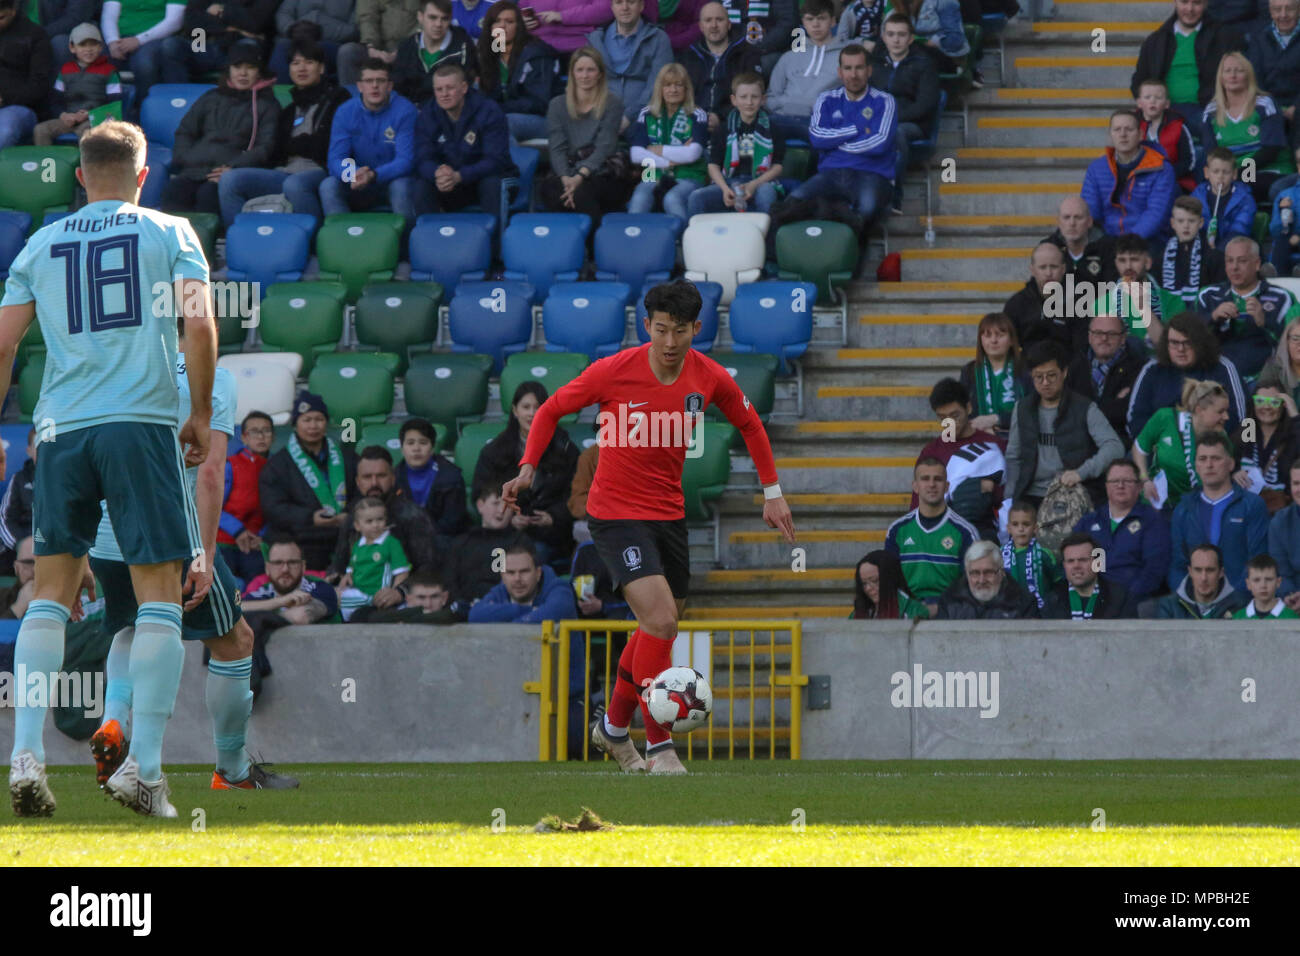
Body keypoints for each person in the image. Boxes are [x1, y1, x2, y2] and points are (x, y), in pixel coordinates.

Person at [1, 120, 216, 818]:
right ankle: (144, 770)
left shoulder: (40, 242)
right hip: (138, 424)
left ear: (80, 177)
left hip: (61, 429)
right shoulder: (169, 231)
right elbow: (201, 324)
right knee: (158, 600)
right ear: (142, 174)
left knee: (49, 597)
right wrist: (201, 412)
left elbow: (3, 342)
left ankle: (25, 753)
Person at [501, 279, 796, 775]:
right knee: (661, 623)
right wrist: (529, 465)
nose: (669, 342)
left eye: (680, 331)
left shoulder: (708, 377)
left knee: (658, 626)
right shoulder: (615, 371)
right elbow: (551, 408)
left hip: (668, 515)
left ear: (696, 329)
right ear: (647, 326)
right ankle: (659, 746)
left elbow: (750, 423)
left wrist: (772, 491)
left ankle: (613, 730)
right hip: (615, 513)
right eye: (661, 330)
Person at [86, 318, 297, 794]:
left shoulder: (119, 368)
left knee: (132, 626)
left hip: (106, 533)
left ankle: (114, 719)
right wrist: (202, 554)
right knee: (236, 641)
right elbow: (211, 472)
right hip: (173, 535)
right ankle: (233, 771)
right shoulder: (210, 378)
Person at [217, 40, 352, 226]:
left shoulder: (338, 98)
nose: (301, 68)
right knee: (230, 180)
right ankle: (241, 239)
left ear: (321, 68)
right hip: (285, 172)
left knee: (295, 184)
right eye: (295, 63)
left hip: (322, 171)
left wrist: (294, 144)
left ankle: (314, 241)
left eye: (309, 62)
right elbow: (276, 150)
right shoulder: (289, 109)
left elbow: (326, 146)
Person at [161, 42, 280, 216]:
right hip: (195, 168)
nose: (243, 73)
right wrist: (186, 158)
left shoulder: (268, 105)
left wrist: (233, 169)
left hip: (231, 172)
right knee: (174, 190)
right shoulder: (211, 97)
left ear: (259, 72)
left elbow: (266, 146)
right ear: (229, 69)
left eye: (250, 67)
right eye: (237, 66)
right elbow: (185, 131)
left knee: (207, 195)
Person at [1004, 340, 1125, 509]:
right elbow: (1013, 457)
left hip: (1070, 492)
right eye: (1038, 377)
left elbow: (1114, 447)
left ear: (1064, 372)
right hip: (1030, 495)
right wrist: (1009, 501)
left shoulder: (1084, 408)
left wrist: (1081, 473)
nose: (1045, 382)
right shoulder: (1022, 408)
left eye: (1051, 375)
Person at [791, 43, 898, 229]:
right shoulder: (826, 99)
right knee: (792, 202)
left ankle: (848, 247)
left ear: (869, 71)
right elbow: (816, 138)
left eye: (859, 68)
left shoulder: (885, 101)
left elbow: (879, 143)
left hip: (871, 174)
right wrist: (855, 129)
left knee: (867, 210)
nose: (853, 75)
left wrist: (836, 143)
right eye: (848, 68)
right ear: (840, 72)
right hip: (831, 173)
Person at [476, 381, 580, 569]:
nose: (532, 413)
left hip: (553, 536)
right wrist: (509, 517)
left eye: (538, 407)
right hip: (505, 534)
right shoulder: (494, 452)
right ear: (515, 411)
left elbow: (578, 493)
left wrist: (554, 516)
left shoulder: (566, 450)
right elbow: (481, 492)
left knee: (532, 555)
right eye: (526, 407)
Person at [258, 391, 359, 572]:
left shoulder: (346, 457)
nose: (313, 426)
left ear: (326, 423)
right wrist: (310, 517)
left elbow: (362, 491)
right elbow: (273, 506)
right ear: (295, 425)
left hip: (344, 532)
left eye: (319, 419)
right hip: (304, 535)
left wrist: (350, 515)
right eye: (307, 420)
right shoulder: (278, 464)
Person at [414, 61, 519, 233]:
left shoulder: (488, 110)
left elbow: (495, 160)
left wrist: (460, 176)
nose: (444, 94)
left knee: (492, 184)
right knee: (421, 186)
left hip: (486, 179)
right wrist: (437, 172)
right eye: (439, 90)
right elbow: (421, 156)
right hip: (450, 183)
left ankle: (493, 251)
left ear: (464, 88)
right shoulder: (428, 113)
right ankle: (429, 245)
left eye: (450, 88)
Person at [321, 57, 422, 224]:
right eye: (369, 81)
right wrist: (353, 174)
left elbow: (406, 160)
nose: (375, 86)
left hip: (392, 181)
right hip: (358, 183)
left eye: (380, 81)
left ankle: (406, 245)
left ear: (389, 86)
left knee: (401, 187)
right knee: (329, 185)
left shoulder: (405, 110)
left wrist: (374, 175)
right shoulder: (345, 111)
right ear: (359, 86)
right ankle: (342, 240)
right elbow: (336, 159)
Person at [1130, 0, 1245, 145]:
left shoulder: (1224, 37)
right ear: (1175, 3)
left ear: (1205, 4)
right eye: (1184, 2)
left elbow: (1242, 76)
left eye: (1196, 3)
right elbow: (1139, 81)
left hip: (1206, 109)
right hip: (1164, 110)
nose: (1190, 9)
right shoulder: (1156, 40)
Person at [1168, 430, 1270, 591]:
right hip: (1195, 606)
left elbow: (1257, 561)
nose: (1209, 465)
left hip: (1239, 604)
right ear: (1196, 465)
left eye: (1216, 458)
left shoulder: (1252, 505)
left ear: (1230, 464)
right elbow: (1178, 565)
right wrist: (1190, 599)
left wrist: (1232, 601)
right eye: (1202, 459)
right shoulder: (1183, 509)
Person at [326, 443, 440, 588]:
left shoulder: (413, 516)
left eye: (381, 476)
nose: (374, 483)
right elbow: (339, 564)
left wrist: (400, 592)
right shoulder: (352, 518)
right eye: (367, 477)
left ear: (392, 478)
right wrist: (334, 578)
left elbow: (427, 569)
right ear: (358, 482)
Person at [540, 46, 629, 224]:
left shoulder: (612, 103)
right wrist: (567, 179)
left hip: (603, 170)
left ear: (600, 74)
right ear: (572, 73)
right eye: (579, 70)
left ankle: (593, 246)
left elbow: (605, 147)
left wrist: (579, 178)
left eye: (591, 70)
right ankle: (566, 246)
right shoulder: (557, 104)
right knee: (549, 189)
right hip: (568, 170)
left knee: (582, 193)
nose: (585, 75)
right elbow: (557, 147)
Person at [241, 533, 340, 691]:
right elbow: (231, 610)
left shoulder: (320, 588)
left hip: (325, 675)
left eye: (292, 563)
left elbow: (301, 616)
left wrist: (260, 617)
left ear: (303, 566)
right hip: (277, 685)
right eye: (278, 563)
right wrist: (281, 602)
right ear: (267, 568)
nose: (285, 569)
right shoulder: (264, 593)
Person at [1127, 311, 1248, 439]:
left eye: (1188, 343)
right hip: (1160, 447)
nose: (1181, 349)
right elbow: (1135, 419)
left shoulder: (1223, 368)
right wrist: (1166, 443)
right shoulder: (1152, 369)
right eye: (1174, 343)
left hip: (1210, 446)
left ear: (1201, 343)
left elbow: (1238, 417)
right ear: (1166, 343)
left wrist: (1197, 441)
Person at [1074, 458, 1172, 606]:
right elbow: (1073, 561)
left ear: (1139, 487)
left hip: (1135, 602)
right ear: (1106, 486)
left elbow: (1153, 569)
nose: (1120, 485)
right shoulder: (1088, 523)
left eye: (1127, 481)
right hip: (1093, 601)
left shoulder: (1152, 521)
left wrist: (1125, 599)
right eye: (1114, 481)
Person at [1200, 236, 1300, 379]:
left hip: (1264, 381)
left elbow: (1295, 345)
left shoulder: (1282, 298)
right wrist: (1213, 317)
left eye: (1242, 261)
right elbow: (1188, 337)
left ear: (1257, 264)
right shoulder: (1208, 295)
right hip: (1213, 382)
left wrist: (1265, 322)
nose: (1234, 267)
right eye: (1229, 261)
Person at [915, 377, 1004, 536]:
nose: (950, 423)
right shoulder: (931, 451)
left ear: (969, 408)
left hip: (989, 535)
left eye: (955, 415)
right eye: (943, 418)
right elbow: (918, 502)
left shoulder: (994, 444)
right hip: (942, 534)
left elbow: (1011, 495)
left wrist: (990, 489)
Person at [686, 71, 784, 215]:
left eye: (755, 97)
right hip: (729, 181)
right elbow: (713, 165)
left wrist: (753, 185)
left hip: (760, 182)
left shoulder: (772, 128)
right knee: (697, 198)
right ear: (734, 100)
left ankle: (766, 237)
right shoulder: (723, 129)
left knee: (766, 194)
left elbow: (777, 167)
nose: (749, 102)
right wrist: (725, 189)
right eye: (743, 97)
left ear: (763, 99)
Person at [885, 457, 979, 606]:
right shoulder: (897, 530)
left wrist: (941, 607)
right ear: (915, 486)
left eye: (938, 479)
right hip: (907, 610)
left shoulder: (965, 532)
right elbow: (890, 581)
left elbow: (971, 583)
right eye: (925, 479)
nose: (932, 484)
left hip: (950, 612)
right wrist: (912, 608)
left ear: (947, 486)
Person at [1200, 51, 1292, 203]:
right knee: (1204, 192)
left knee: (1242, 187)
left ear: (1249, 75)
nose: (1233, 75)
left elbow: (1272, 150)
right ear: (1221, 77)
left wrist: (1239, 173)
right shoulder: (1211, 111)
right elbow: (1212, 154)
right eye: (1227, 71)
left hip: (1268, 169)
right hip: (1230, 174)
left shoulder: (1264, 103)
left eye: (1239, 70)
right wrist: (1228, 174)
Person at [1132, 377, 1232, 512]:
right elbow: (1139, 448)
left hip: (1195, 510)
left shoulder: (1221, 438)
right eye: (1220, 412)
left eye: (1226, 411)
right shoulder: (1166, 418)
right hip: (1157, 503)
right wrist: (1145, 480)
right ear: (1199, 410)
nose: (1226, 417)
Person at [873, 13, 939, 214]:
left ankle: (894, 195)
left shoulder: (924, 64)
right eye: (891, 34)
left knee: (895, 133)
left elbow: (925, 105)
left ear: (911, 38)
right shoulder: (874, 63)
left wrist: (889, 120)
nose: (896, 39)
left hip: (912, 124)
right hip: (875, 122)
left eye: (901, 34)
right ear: (883, 37)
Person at [627, 63, 709, 219]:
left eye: (679, 85)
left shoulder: (697, 114)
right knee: (639, 198)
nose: (673, 90)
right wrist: (670, 161)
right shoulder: (646, 113)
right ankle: (635, 238)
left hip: (689, 174)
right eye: (668, 85)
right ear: (660, 88)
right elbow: (636, 154)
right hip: (651, 173)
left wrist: (656, 150)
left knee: (672, 199)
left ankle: (684, 241)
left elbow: (692, 154)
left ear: (686, 89)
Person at [1081, 110, 1177, 244]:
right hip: (1107, 241)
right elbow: (1090, 211)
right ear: (1110, 135)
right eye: (1117, 129)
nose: (1123, 134)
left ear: (1140, 134)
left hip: (1148, 242)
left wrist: (1128, 243)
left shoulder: (1162, 169)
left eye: (1129, 129)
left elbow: (1156, 214)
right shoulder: (1096, 169)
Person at [476, 1, 560, 142]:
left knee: (504, 123)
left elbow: (539, 103)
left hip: (544, 120)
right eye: (497, 21)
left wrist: (498, 108)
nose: (502, 26)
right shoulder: (491, 55)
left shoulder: (536, 53)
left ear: (519, 27)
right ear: (490, 27)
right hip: (504, 114)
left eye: (509, 21)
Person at [762, 0, 844, 144]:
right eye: (810, 19)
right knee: (754, 132)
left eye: (821, 18)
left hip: (819, 120)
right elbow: (770, 96)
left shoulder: (845, 55)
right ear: (803, 23)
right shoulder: (789, 56)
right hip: (782, 117)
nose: (815, 24)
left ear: (833, 21)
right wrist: (786, 104)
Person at [585, 0, 673, 126]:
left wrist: (629, 116)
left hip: (646, 117)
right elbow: (587, 83)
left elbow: (658, 84)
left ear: (641, 6)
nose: (625, 7)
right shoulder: (596, 40)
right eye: (619, 2)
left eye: (631, 2)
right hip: (602, 117)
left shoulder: (658, 39)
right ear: (612, 7)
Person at [33, 23, 123, 146]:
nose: (88, 49)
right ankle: (48, 163)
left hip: (96, 120)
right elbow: (55, 101)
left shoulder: (109, 71)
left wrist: (90, 114)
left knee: (86, 133)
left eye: (93, 44)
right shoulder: (65, 70)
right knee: (41, 130)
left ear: (101, 47)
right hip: (70, 118)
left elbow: (115, 103)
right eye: (82, 45)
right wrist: (63, 115)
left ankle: (87, 165)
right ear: (72, 47)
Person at [1067, 312, 1147, 447]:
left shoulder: (1139, 369)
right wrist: (1113, 404)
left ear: (1123, 338)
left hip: (1119, 441)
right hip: (1077, 440)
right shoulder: (1074, 365)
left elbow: (1127, 413)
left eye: (1111, 334)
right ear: (1090, 336)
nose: (1104, 338)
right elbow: (1067, 410)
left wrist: (1085, 411)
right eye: (1098, 333)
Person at [678, 1, 761, 132]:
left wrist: (721, 117)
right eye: (708, 20)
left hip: (732, 124)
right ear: (701, 26)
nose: (714, 25)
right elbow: (680, 94)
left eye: (719, 20)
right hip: (691, 123)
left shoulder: (746, 54)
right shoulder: (689, 55)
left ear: (728, 24)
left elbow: (751, 95)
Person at [445, 481, 520, 616]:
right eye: (496, 503)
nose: (501, 510)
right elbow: (450, 581)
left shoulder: (521, 543)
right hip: (464, 612)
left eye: (507, 505)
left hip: (505, 612)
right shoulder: (461, 543)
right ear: (480, 505)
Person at [160, 0, 279, 83]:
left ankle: (238, 105)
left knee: (249, 46)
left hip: (238, 47)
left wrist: (223, 10)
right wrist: (231, 28)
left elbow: (255, 22)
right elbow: (191, 20)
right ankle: (180, 100)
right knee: (170, 45)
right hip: (202, 43)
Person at [101, 0, 185, 115]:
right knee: (96, 58)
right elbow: (109, 16)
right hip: (119, 38)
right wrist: (112, 41)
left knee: (144, 64)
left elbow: (174, 22)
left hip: (154, 38)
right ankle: (101, 114)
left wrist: (139, 40)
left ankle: (144, 111)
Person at [468, 537, 580, 622]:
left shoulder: (559, 589)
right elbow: (475, 615)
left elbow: (555, 611)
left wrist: (505, 621)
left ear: (538, 573)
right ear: (502, 575)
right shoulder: (500, 591)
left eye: (524, 571)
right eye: (511, 572)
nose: (517, 578)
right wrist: (527, 610)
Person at [336, 496, 411, 620]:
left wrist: (393, 592)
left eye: (380, 519)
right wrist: (348, 575)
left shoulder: (390, 543)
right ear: (357, 526)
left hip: (378, 594)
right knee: (334, 597)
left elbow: (402, 572)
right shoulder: (358, 544)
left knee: (339, 602)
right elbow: (353, 565)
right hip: (359, 591)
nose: (376, 525)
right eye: (369, 521)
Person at [219, 411, 272, 586]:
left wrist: (263, 536)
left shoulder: (277, 468)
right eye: (254, 432)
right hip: (224, 541)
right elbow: (212, 506)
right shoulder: (230, 465)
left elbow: (276, 508)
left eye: (266, 431)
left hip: (257, 544)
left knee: (256, 591)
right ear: (243, 437)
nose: (261, 436)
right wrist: (238, 530)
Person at [394, 417, 468, 538]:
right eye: (410, 443)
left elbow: (453, 522)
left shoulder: (451, 477)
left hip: (444, 540)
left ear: (432, 448)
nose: (416, 449)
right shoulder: (393, 478)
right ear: (402, 449)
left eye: (423, 442)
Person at [393, 0, 479, 104]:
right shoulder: (406, 47)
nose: (438, 24)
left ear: (451, 18)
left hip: (450, 112)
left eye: (444, 19)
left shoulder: (463, 46)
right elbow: (398, 88)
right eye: (432, 17)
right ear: (420, 16)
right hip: (412, 112)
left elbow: (466, 88)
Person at [1232, 383, 1300, 511]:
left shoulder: (1293, 435)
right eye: (1260, 401)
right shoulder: (1247, 430)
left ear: (1283, 405)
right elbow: (1231, 460)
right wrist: (1235, 472)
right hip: (1246, 508)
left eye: (1274, 402)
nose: (1267, 407)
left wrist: (1295, 416)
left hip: (1281, 511)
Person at [959, 312, 1026, 438]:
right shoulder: (969, 371)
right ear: (981, 340)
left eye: (1000, 335)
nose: (994, 340)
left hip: (1018, 440)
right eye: (987, 335)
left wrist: (996, 419)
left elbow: (1031, 410)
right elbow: (961, 410)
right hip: (978, 438)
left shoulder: (1025, 370)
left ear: (1011, 340)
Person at [935, 540, 1040, 620]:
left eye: (988, 572)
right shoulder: (949, 601)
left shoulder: (1024, 603)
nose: (981, 580)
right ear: (966, 573)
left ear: (1001, 572)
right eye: (975, 573)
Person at [1042, 532, 1137, 619]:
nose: (1076, 566)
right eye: (1070, 561)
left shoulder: (1120, 598)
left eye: (1083, 560)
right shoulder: (1051, 600)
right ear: (1064, 566)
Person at [0, 0, 53, 150]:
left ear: (13, 10)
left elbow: (39, 86)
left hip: (19, 109)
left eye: (1, 18)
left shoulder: (35, 35)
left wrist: (4, 99)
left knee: (4, 132)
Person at [1001, 242, 1070, 352]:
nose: (1048, 273)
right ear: (1032, 270)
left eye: (1054, 267)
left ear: (1063, 269)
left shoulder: (1078, 301)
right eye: (1042, 267)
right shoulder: (1016, 305)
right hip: (1028, 366)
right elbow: (1007, 348)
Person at [1159, 195, 1226, 308]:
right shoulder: (1160, 256)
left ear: (1200, 223)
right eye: (1180, 221)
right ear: (1172, 223)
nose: (1186, 226)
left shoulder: (1214, 257)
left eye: (1191, 221)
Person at [268, 0, 360, 82]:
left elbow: (354, 29)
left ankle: (321, 98)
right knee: (282, 46)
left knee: (319, 49)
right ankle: (282, 98)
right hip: (296, 35)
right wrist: (293, 29)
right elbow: (283, 13)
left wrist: (320, 30)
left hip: (332, 40)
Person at [337, 0, 421, 87]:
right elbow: (367, 18)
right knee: (347, 53)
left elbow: (426, 21)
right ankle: (351, 98)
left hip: (411, 49)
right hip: (375, 48)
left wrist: (402, 51)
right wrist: (371, 47)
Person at [1135, 77, 1197, 193]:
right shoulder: (1132, 127)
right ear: (1139, 103)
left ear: (1167, 104)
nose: (1152, 101)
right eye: (1147, 97)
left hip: (1172, 180)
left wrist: (1167, 173)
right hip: (1139, 179)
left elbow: (1189, 161)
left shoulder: (1178, 127)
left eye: (1158, 98)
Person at [1001, 500, 1063, 611]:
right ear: (1009, 529)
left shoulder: (1044, 554)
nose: (1021, 529)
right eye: (1015, 524)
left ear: (1035, 528)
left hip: (1040, 612)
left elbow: (1058, 583)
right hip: (1009, 611)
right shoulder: (1000, 554)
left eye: (1026, 524)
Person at [1245, 0, 1300, 124]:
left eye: (1289, 9)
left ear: (1299, 10)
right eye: (1277, 9)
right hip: (1268, 106)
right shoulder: (1259, 39)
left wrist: (1297, 107)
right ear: (1270, 12)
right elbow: (1255, 77)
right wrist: (1271, 107)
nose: (1283, 14)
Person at [1156, 542, 1246, 617]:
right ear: (1190, 572)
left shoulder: (1240, 606)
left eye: (1210, 570)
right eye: (1198, 570)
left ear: (1221, 572)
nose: (1203, 578)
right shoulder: (1169, 606)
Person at [1192, 146, 1257, 250]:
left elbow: (1240, 229)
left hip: (1232, 249)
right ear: (1207, 173)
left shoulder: (1245, 199)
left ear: (1234, 174)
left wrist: (1218, 251)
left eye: (1226, 172)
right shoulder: (1197, 195)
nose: (1220, 176)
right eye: (1215, 171)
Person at [1044, 196, 1118, 284]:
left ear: (1089, 221)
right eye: (1066, 217)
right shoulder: (1047, 248)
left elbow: (1111, 290)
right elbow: (1037, 290)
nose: (1072, 223)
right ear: (1059, 222)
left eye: (1078, 217)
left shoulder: (1108, 248)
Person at [349, 566, 459, 622]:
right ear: (408, 599)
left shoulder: (454, 612)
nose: (428, 603)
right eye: (421, 597)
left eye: (434, 596)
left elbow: (447, 616)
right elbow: (374, 618)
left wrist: (409, 616)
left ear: (445, 598)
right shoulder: (392, 615)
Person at [721, 0, 797, 75]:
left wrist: (759, 47)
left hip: (767, 50)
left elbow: (787, 24)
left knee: (761, 64)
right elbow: (714, 17)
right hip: (731, 49)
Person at [851, 549, 929, 619]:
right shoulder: (858, 612)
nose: (868, 588)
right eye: (864, 584)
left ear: (890, 579)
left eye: (875, 581)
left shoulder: (914, 611)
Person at [0, 427, 35, 575]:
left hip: (58, 549)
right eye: (38, 445)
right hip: (20, 549)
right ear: (29, 450)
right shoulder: (20, 479)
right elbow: (6, 519)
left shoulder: (68, 480)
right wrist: (21, 545)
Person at [1267, 458, 1300, 609]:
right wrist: (1291, 596)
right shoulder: (1280, 522)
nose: (1299, 489)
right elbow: (1281, 573)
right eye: (1296, 484)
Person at [1230, 552, 1299, 617]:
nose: (1263, 585)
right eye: (1256, 580)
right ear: (1248, 584)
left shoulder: (1293, 616)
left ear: (1278, 582)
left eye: (1269, 579)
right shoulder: (1238, 617)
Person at [1267, 158, 1300, 277]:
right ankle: (1277, 276)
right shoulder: (1285, 194)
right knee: (1280, 241)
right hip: (1287, 240)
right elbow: (1274, 231)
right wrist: (1283, 212)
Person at [0, 536, 35, 619]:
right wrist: (18, 608)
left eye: (43, 562)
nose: (35, 569)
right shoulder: (2, 598)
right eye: (29, 562)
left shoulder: (68, 601)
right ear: (17, 568)